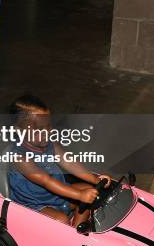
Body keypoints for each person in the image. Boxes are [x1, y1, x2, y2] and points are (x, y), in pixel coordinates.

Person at [8, 95, 111, 227]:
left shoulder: (49, 143)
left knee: (91, 191)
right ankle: (66, 236)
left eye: (48, 126)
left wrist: (95, 179)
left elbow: (69, 162)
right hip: (35, 203)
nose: (46, 132)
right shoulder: (20, 157)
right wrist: (79, 195)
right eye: (39, 129)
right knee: (61, 220)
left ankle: (77, 231)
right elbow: (47, 181)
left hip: (57, 194)